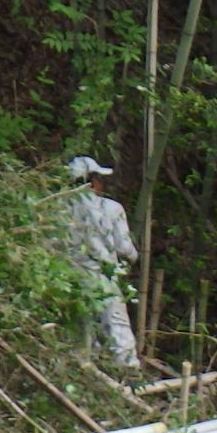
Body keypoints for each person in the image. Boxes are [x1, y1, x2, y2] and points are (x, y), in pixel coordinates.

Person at [66, 155, 140, 370]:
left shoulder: (57, 209)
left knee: (82, 332)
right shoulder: (111, 208)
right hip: (102, 278)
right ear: (91, 180)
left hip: (69, 280)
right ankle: (128, 377)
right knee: (117, 329)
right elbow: (124, 249)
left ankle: (85, 376)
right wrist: (134, 258)